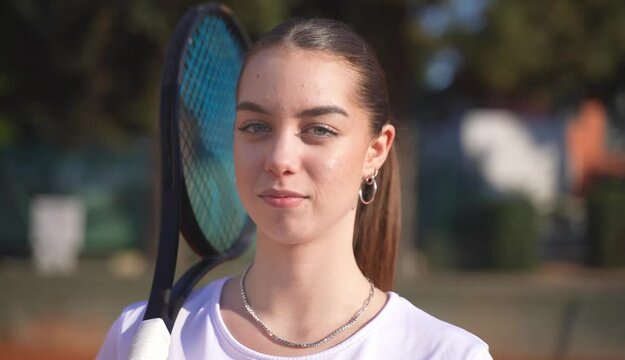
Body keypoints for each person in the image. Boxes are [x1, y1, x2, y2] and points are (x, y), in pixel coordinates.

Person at [98, 17, 492, 359]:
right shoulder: (139, 337)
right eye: (256, 126)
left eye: (319, 130)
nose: (280, 158)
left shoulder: (446, 354)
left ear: (376, 152)